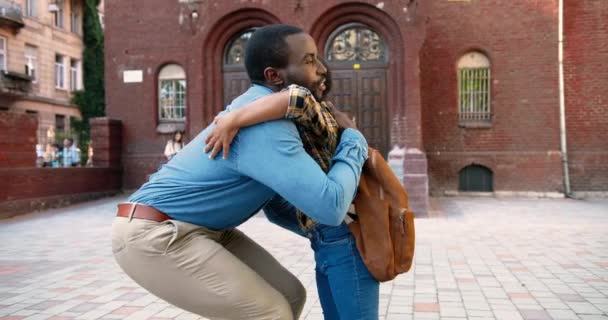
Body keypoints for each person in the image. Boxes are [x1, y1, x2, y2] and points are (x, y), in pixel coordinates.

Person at [111, 24, 368, 320]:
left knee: (290, 295)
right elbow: (331, 206)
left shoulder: (262, 111)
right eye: (310, 60)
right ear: (274, 76)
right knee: (270, 313)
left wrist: (323, 233)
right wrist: (354, 140)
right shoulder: (267, 127)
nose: (322, 69)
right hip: (154, 235)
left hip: (200, 229)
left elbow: (276, 208)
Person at [205, 60, 379, 319]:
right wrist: (315, 228)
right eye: (310, 62)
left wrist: (234, 118)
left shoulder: (318, 113)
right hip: (331, 237)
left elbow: (298, 98)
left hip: (344, 235)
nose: (319, 70)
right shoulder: (300, 124)